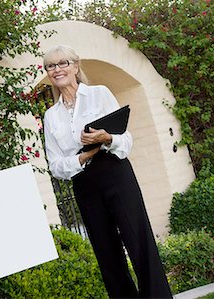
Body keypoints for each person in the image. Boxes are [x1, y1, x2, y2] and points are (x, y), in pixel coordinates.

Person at [42, 45, 172, 299]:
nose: (57, 69)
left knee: (138, 240)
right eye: (51, 66)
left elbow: (126, 141)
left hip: (115, 172)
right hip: (84, 181)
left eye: (62, 63)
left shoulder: (99, 94)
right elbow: (56, 166)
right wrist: (82, 157)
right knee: (106, 251)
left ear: (75, 67)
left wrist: (107, 137)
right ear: (48, 73)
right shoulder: (50, 116)